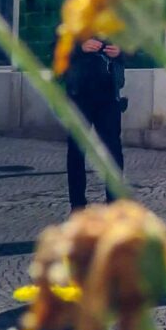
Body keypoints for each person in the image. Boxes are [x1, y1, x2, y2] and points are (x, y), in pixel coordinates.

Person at [62, 34, 126, 212]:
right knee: (76, 149)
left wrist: (120, 52)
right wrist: (79, 48)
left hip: (108, 96)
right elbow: (55, 50)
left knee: (113, 150)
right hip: (78, 94)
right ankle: (77, 204)